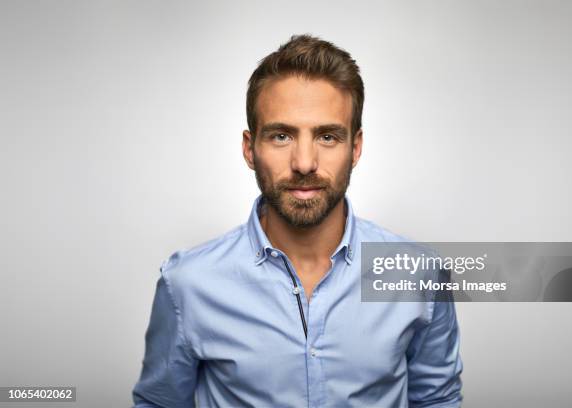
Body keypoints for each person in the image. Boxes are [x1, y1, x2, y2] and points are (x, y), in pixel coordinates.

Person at [133, 34, 463, 407]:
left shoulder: (420, 273)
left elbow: (437, 400)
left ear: (355, 148)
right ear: (249, 148)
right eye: (281, 135)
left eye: (327, 136)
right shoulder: (187, 284)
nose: (304, 163)